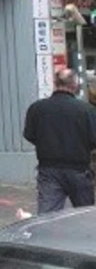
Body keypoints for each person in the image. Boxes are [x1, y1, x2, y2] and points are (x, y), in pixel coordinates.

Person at [23, 68, 96, 214]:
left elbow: (29, 135)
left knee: (47, 215)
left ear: (55, 83)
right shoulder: (86, 110)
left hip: (48, 169)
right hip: (79, 169)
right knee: (85, 214)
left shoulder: (37, 108)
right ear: (74, 85)